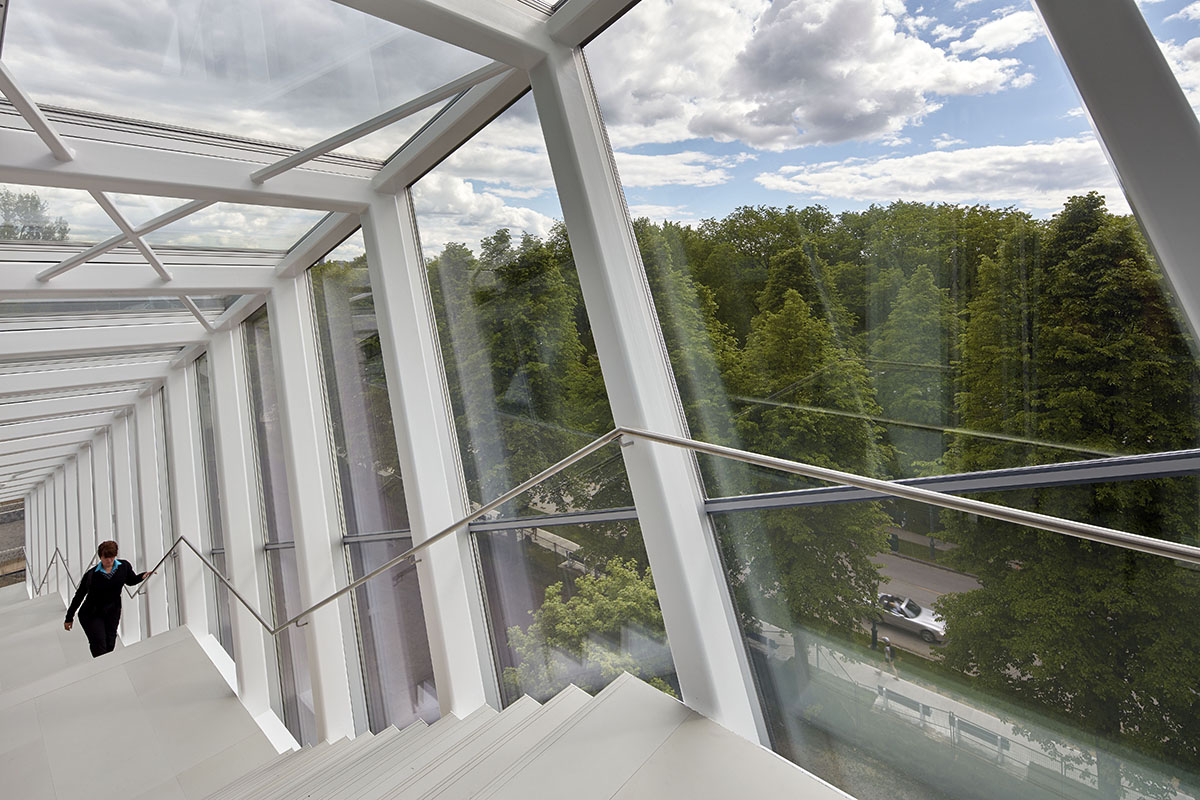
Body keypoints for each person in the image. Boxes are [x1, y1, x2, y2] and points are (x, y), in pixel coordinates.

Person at [63, 541, 154, 658]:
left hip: (112, 611)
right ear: (100, 556)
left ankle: (106, 667)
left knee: (110, 644)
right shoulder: (91, 575)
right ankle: (102, 670)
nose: (109, 560)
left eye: (112, 557)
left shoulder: (124, 566)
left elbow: (130, 581)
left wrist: (142, 576)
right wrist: (69, 617)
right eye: (106, 557)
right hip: (91, 613)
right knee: (99, 644)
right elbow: (79, 596)